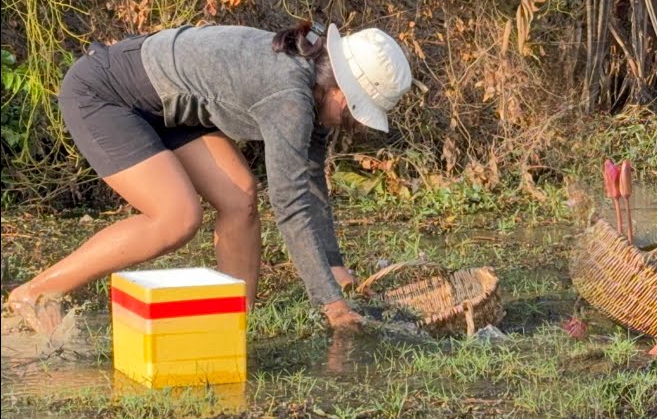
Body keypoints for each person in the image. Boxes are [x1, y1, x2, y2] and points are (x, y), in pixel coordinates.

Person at [5, 21, 413, 333]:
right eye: (354, 115)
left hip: (170, 107)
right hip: (106, 93)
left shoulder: (314, 79)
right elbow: (290, 205)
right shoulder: (289, 95)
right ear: (341, 93)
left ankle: (233, 325)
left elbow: (310, 183)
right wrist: (331, 303)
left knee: (240, 198)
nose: (351, 125)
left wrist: (334, 266)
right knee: (177, 217)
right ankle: (36, 294)